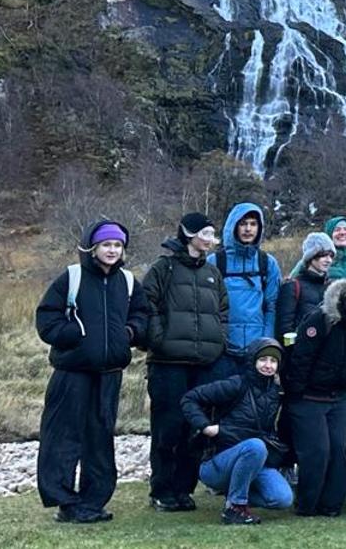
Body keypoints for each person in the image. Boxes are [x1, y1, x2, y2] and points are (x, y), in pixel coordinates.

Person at [35, 220, 147, 523]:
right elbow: (46, 318)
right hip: (72, 373)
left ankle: (92, 502)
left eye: (117, 245)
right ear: (93, 247)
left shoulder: (128, 281)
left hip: (110, 373)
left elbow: (143, 315)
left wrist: (131, 333)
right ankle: (65, 503)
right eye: (106, 244)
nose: (112, 250)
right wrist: (72, 336)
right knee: (63, 437)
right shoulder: (71, 277)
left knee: (100, 439)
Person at [141, 212, 229, 513]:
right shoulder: (163, 268)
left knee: (196, 427)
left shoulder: (212, 274)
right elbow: (145, 304)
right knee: (168, 426)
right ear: (189, 234)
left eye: (212, 234)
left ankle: (184, 489)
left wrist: (218, 340)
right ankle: (162, 490)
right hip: (167, 364)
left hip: (204, 363)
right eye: (205, 233)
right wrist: (157, 339)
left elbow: (223, 312)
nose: (210, 240)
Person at [284, 278, 346, 517]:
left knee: (340, 452)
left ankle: (331, 506)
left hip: (340, 397)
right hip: (308, 397)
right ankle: (307, 506)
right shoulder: (320, 320)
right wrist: (296, 392)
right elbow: (301, 358)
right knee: (317, 451)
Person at [182, 338, 294, 525]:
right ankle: (235, 508)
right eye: (263, 359)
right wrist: (205, 426)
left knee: (282, 498)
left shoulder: (276, 393)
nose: (268, 365)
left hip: (255, 459)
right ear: (253, 360)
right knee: (256, 446)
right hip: (217, 461)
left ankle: (236, 493)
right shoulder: (236, 384)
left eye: (273, 361)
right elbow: (190, 399)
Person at [211, 203, 281, 373]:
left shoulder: (267, 263)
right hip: (222, 351)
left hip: (256, 352)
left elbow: (271, 306)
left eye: (253, 224)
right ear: (233, 226)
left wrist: (266, 343)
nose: (248, 229)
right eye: (242, 224)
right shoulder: (215, 262)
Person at [278, 233, 336, 346]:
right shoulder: (292, 286)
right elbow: (285, 331)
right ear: (311, 256)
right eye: (324, 255)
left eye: (331, 256)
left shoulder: (332, 287)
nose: (328, 260)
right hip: (300, 356)